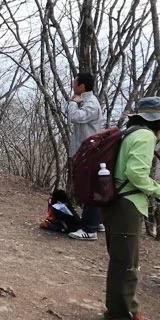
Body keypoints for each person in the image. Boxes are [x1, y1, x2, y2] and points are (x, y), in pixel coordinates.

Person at [99, 96, 160, 320]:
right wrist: (157, 190)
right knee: (124, 264)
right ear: (157, 120)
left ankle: (128, 309)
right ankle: (115, 319)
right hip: (127, 204)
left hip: (117, 202)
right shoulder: (145, 136)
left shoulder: (130, 132)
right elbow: (135, 173)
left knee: (128, 261)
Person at [66, 72, 105, 241]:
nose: (73, 85)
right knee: (88, 187)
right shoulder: (84, 100)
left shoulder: (91, 103)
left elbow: (75, 117)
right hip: (84, 151)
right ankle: (96, 222)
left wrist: (73, 103)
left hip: (90, 152)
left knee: (90, 188)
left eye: (75, 82)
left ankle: (90, 229)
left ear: (82, 86)